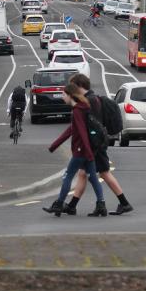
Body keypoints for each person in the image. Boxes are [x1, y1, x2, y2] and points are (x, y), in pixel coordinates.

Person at [63, 74, 132, 216]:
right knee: (84, 173)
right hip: (95, 144)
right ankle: (72, 205)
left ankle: (124, 203)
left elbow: (92, 125)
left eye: (73, 86)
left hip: (95, 145)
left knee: (104, 173)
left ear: (79, 86)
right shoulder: (91, 99)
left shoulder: (90, 101)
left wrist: (88, 146)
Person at [42, 83, 105, 217]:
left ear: (70, 95)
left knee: (67, 177)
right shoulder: (83, 108)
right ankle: (101, 205)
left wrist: (86, 151)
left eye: (64, 94)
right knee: (93, 178)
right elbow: (71, 130)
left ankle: (59, 204)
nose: (62, 97)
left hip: (81, 150)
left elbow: (82, 131)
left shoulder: (77, 110)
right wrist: (54, 145)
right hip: (88, 151)